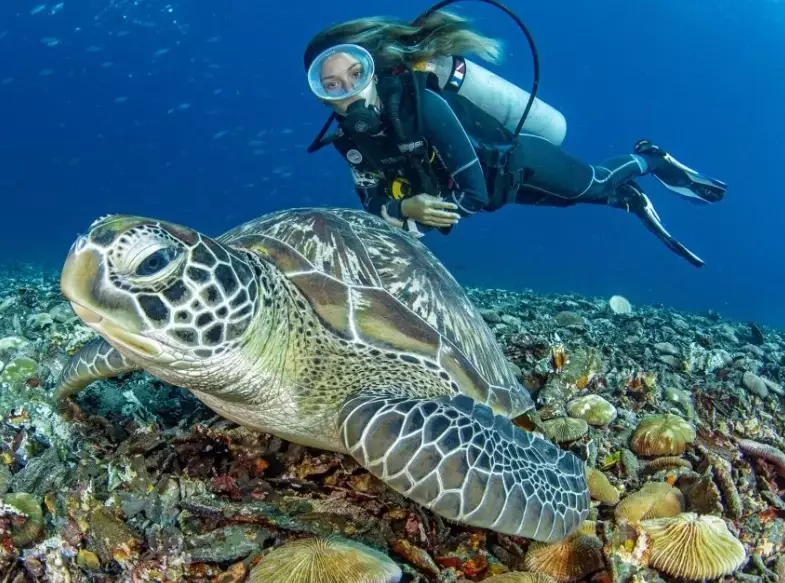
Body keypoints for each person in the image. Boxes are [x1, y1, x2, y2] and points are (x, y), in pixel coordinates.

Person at [302, 10, 727, 267]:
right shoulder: (353, 143)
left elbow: (474, 193)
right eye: (331, 84)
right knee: (570, 200)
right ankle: (628, 198)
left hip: (518, 162)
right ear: (322, 96)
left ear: (374, 67)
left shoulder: (422, 105)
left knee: (595, 182)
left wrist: (415, 220)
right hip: (501, 190)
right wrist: (403, 208)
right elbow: (370, 201)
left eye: (356, 72)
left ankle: (650, 160)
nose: (348, 89)